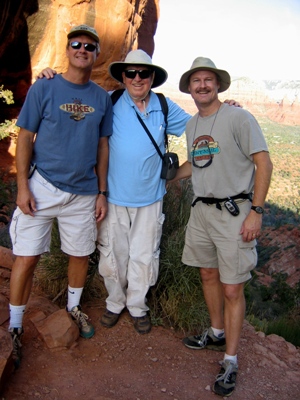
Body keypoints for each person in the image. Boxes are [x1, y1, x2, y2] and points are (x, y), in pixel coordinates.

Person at [38, 50, 240, 335]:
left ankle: (137, 307)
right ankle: (115, 303)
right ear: (123, 77)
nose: (137, 78)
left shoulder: (163, 105)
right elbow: (74, 105)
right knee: (112, 257)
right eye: (131, 73)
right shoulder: (109, 101)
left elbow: (202, 126)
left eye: (143, 73)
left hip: (151, 199)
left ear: (151, 77)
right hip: (113, 198)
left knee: (144, 256)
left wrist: (225, 109)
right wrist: (49, 79)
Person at [8, 24, 113, 368]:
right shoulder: (46, 86)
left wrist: (101, 192)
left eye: (89, 46)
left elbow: (102, 145)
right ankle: (15, 324)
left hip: (83, 193)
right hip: (42, 186)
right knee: (26, 256)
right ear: (68, 50)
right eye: (76, 44)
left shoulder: (100, 98)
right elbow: (25, 136)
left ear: (96, 55)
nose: (83, 49)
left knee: (80, 254)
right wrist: (23, 185)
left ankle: (73, 308)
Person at [171, 57, 273, 397]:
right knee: (208, 275)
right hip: (201, 212)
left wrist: (256, 211)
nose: (202, 85)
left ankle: (230, 358)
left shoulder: (239, 117)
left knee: (233, 288)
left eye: (208, 79)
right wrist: (170, 175)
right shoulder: (191, 125)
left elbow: (263, 162)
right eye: (196, 80)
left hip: (235, 211)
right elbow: (197, 163)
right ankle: (215, 332)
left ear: (218, 85)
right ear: (189, 88)